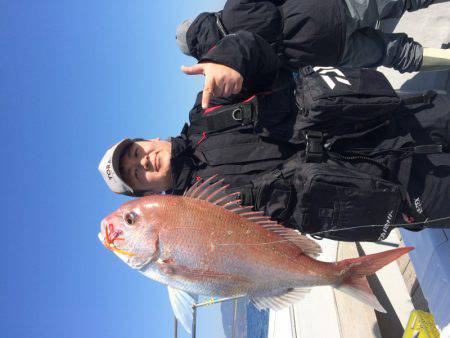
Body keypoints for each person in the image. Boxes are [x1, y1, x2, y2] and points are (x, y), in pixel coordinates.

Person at [99, 67, 450, 242]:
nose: (142, 161)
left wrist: (232, 58)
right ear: (146, 193)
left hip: (400, 120)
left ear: (148, 139)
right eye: (134, 174)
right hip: (401, 192)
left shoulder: (206, 109)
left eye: (134, 151)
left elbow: (264, 57)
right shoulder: (198, 221)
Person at [175, 0, 450, 108]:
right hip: (333, 9)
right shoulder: (235, 7)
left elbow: (281, 81)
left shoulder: (230, 66)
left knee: (397, 55)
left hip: (333, 53)